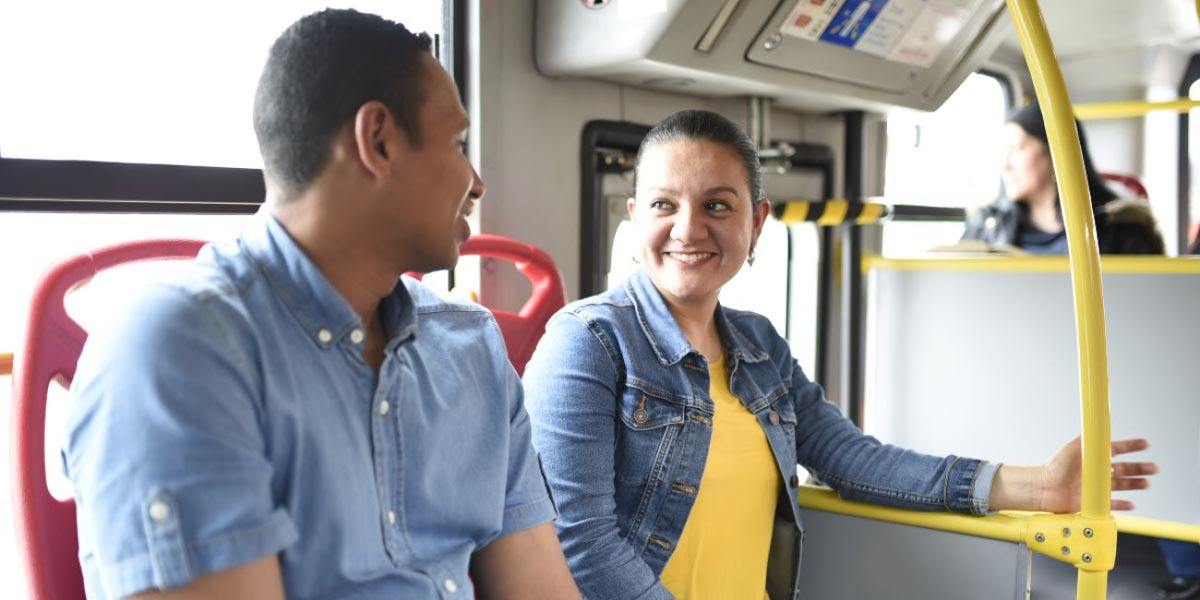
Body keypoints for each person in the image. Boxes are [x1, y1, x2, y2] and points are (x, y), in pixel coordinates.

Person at [522, 109, 1157, 600]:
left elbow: (854, 461)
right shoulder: (588, 342)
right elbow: (581, 541)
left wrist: (1036, 486)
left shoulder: (759, 345)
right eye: (664, 205)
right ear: (635, 219)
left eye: (717, 205)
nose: (688, 228)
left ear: (758, 222)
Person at [62, 9, 579, 599]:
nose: (477, 182)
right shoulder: (179, 346)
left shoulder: (471, 347)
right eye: (458, 143)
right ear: (378, 140)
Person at [963, 101, 1164, 255]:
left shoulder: (1123, 230)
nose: (1005, 166)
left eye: (1016, 150)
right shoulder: (986, 226)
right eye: (1003, 154)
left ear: (1054, 154)